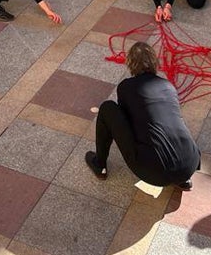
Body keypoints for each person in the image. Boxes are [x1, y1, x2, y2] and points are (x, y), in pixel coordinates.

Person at [85, 41, 200, 190]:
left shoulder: (126, 87)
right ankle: (182, 179)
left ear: (130, 64)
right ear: (154, 62)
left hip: (154, 173)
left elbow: (125, 122)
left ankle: (100, 164)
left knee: (108, 108)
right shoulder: (168, 86)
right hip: (191, 163)